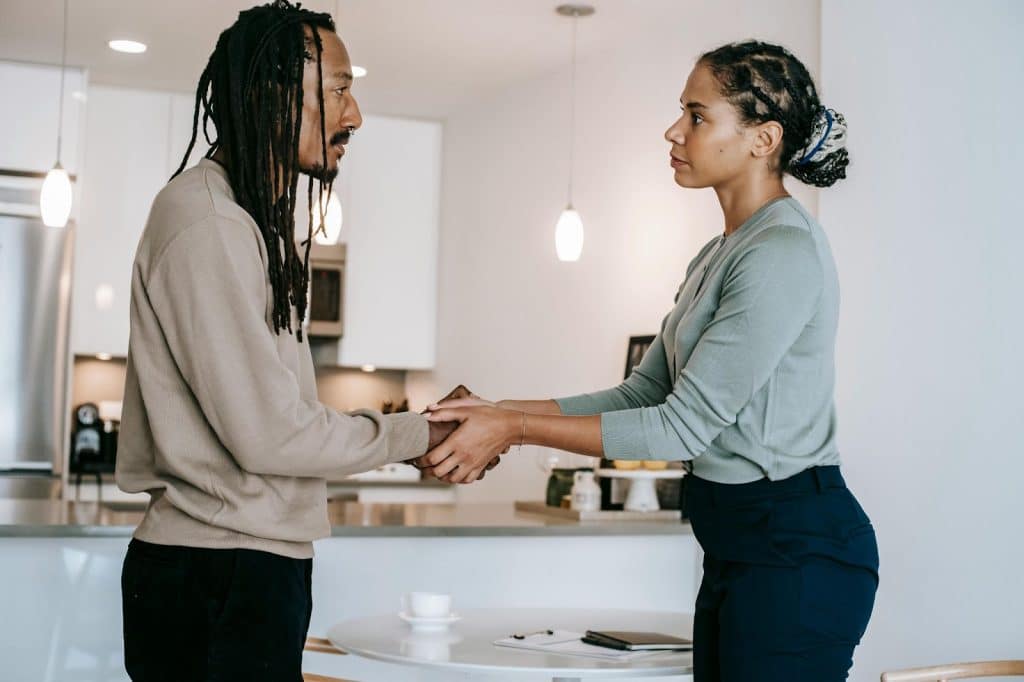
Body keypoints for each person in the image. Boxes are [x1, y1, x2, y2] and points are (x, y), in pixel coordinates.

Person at [419, 40, 879, 681]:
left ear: (762, 139)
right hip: (740, 547)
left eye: (697, 116)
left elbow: (682, 427)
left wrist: (515, 429)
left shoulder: (780, 252)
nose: (674, 130)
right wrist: (497, 410)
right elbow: (643, 395)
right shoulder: (720, 253)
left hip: (795, 548)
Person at [114, 3, 477, 679]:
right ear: (273, 93)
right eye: (339, 89)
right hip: (216, 575)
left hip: (242, 568)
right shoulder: (209, 221)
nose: (355, 114)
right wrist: (420, 434)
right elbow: (272, 436)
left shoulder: (246, 218)